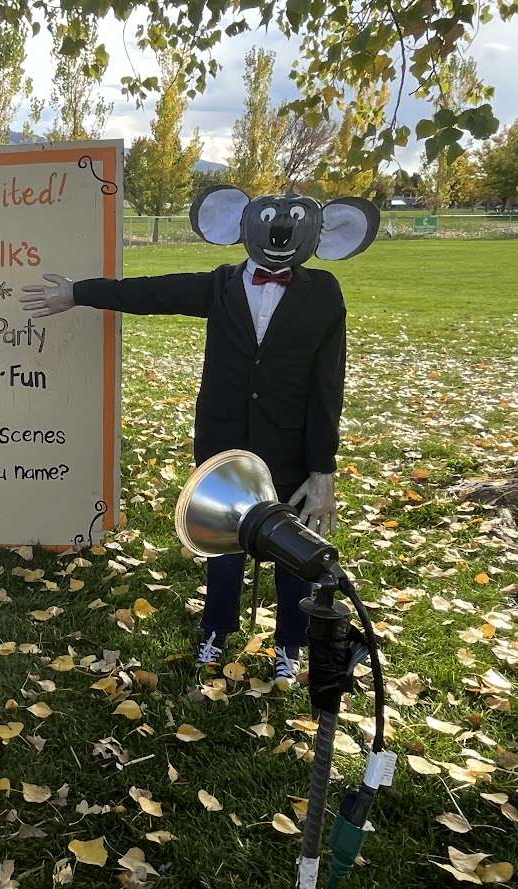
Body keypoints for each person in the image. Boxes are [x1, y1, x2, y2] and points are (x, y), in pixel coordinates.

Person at [21, 186, 378, 687]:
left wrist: (323, 469)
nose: (278, 232)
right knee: (225, 542)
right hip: (224, 441)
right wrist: (78, 292)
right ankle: (216, 630)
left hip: (291, 445)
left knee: (294, 549)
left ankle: (290, 643)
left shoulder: (322, 294)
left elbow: (327, 386)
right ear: (238, 225)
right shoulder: (222, 285)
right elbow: (153, 293)